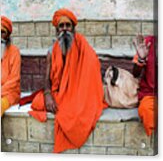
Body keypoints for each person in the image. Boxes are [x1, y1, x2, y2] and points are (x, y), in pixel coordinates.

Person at [23, 8, 108, 153]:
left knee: (77, 112)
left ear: (73, 28)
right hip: (59, 92)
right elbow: (47, 75)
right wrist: (48, 94)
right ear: (57, 29)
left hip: (78, 93)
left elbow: (92, 66)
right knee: (38, 103)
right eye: (61, 26)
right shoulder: (52, 50)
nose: (65, 29)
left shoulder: (82, 45)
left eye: (68, 25)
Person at [133, 35, 158, 136]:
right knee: (146, 110)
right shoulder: (147, 43)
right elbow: (135, 73)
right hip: (150, 94)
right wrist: (141, 59)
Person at [1, 16, 21, 116]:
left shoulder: (14, 51)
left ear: (8, 35)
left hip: (10, 93)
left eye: (2, 32)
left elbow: (14, 79)